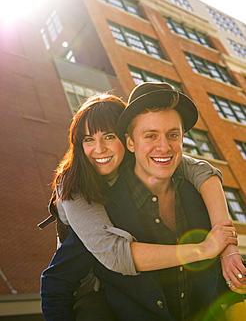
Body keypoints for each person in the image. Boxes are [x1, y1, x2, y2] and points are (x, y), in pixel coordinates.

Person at [41, 86, 244, 320]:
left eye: (109, 136)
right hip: (90, 289)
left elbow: (200, 169)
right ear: (132, 141)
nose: (100, 148)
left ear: (126, 141)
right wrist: (206, 249)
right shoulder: (80, 191)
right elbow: (111, 255)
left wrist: (228, 249)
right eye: (89, 139)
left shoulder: (170, 174)